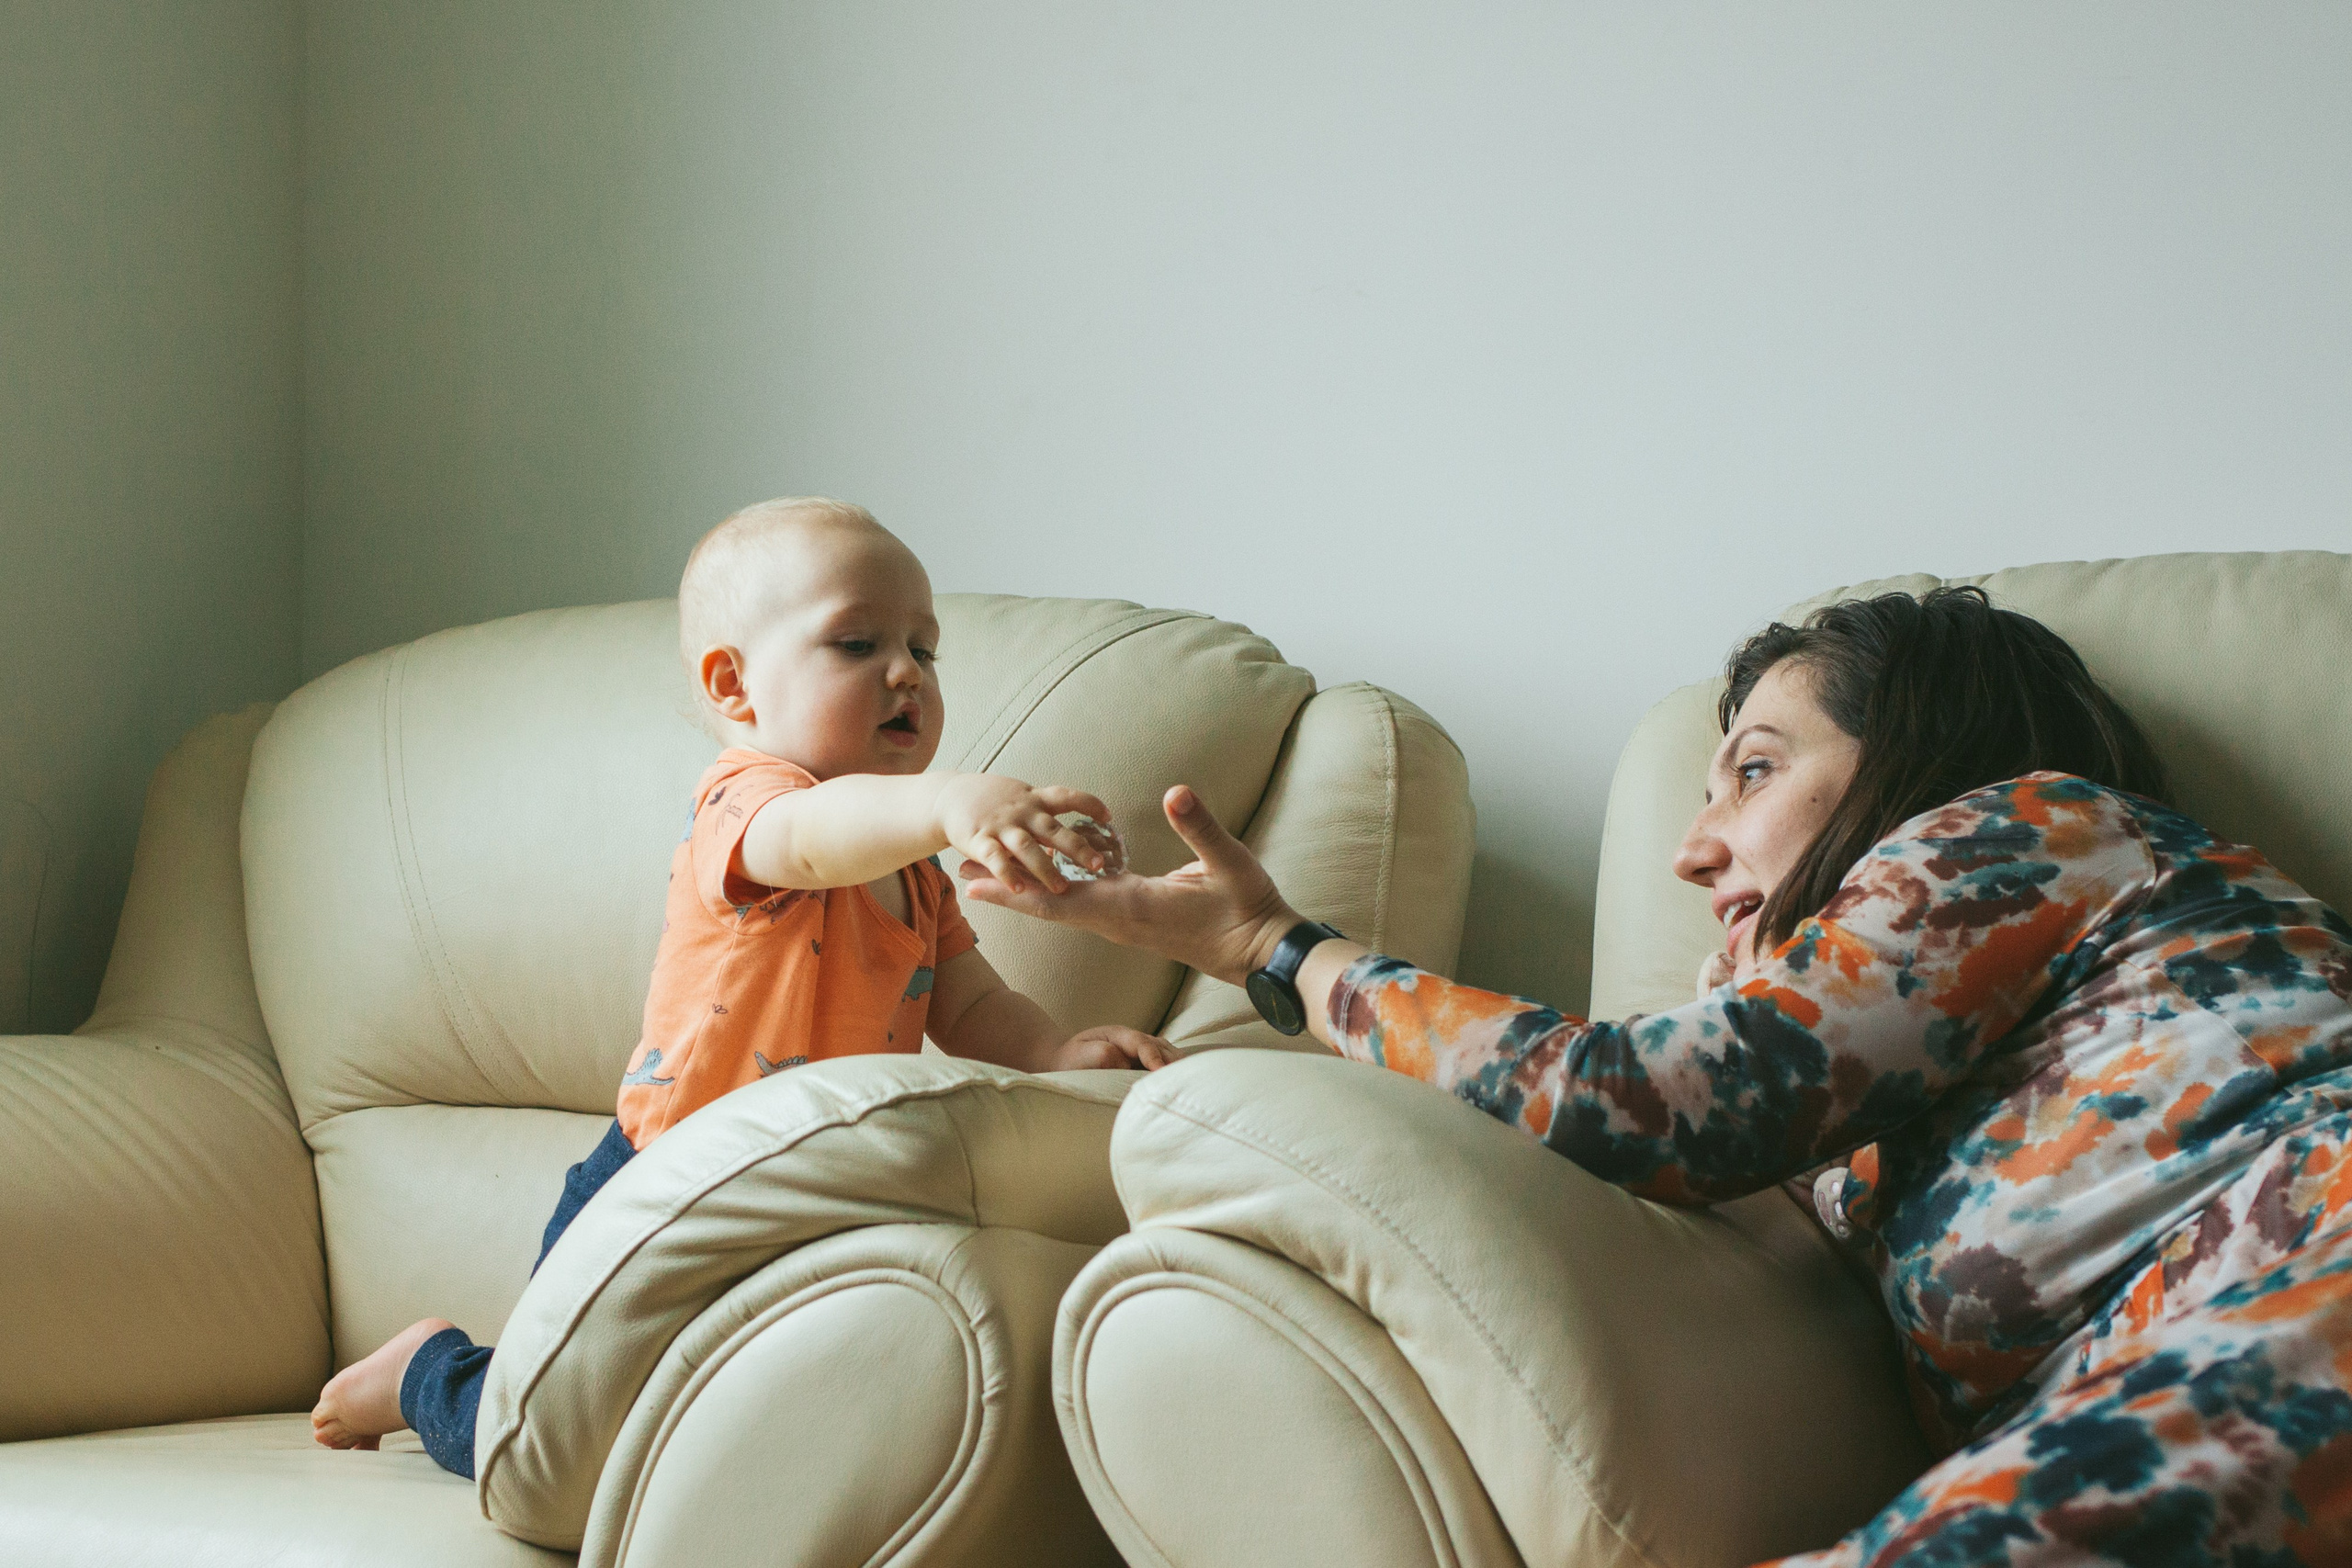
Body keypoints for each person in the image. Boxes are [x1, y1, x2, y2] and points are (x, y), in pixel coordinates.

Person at [968, 586, 2352, 1565]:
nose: (1693, 851)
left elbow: (1654, 1101)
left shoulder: (2038, 823)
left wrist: (1279, 949)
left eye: (1752, 770)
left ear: (1926, 757)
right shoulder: (1884, 1128)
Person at [311, 497, 1172, 1475]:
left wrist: (1059, 1052)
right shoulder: (748, 802)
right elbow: (811, 843)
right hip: (663, 1183)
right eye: (857, 643)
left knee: (718, 1436)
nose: (906, 674)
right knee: (540, 1441)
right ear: (737, 684)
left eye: (925, 652)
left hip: (813, 1195)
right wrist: (947, 799)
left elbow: (968, 1004)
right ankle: (431, 1370)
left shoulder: (921, 876)